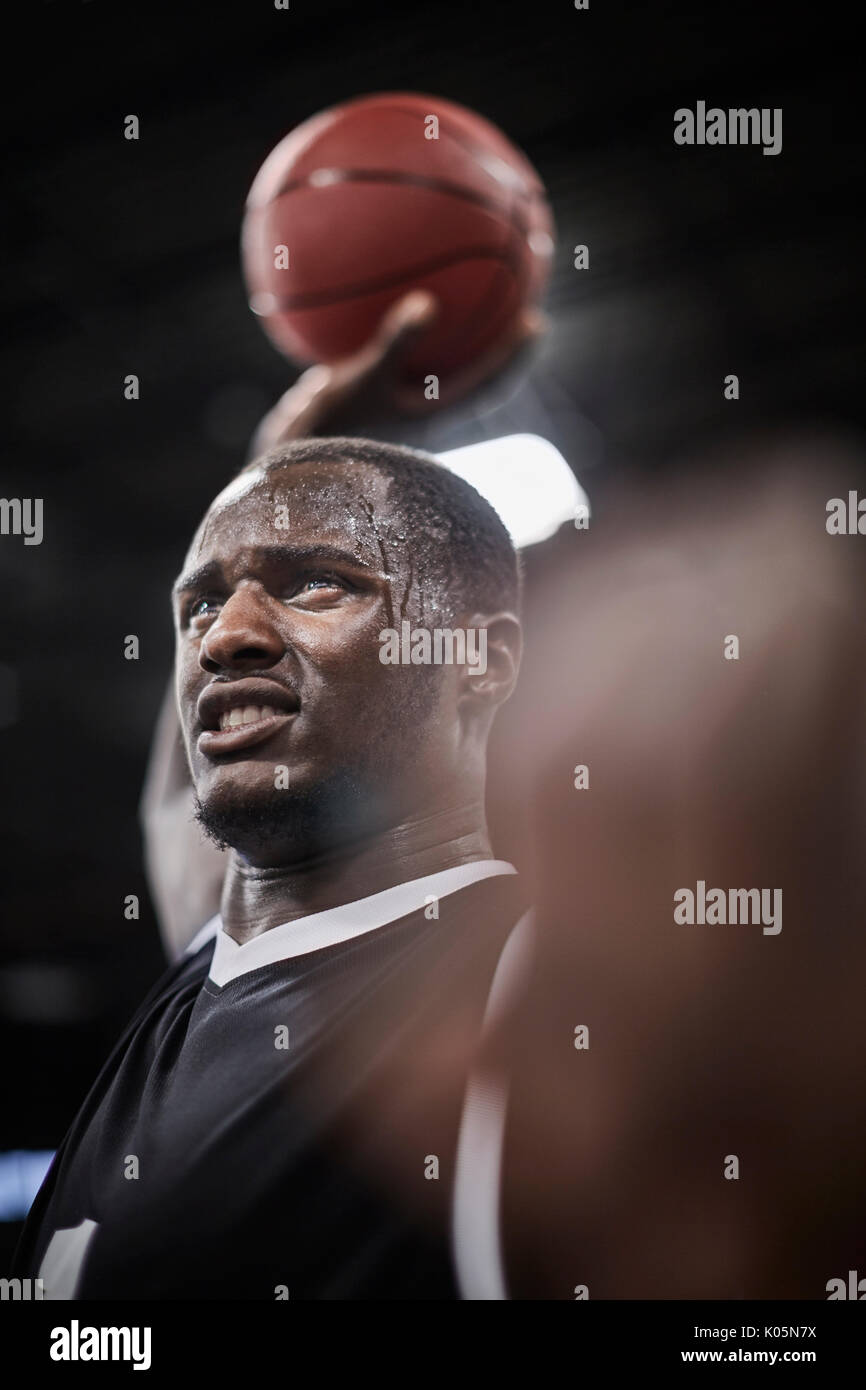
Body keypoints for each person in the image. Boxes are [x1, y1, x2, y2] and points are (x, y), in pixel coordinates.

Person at [13, 435, 530, 1299]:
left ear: (478, 660)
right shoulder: (207, 961)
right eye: (200, 607)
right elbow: (172, 809)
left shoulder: (534, 988)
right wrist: (280, 457)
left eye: (314, 582)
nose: (228, 638)